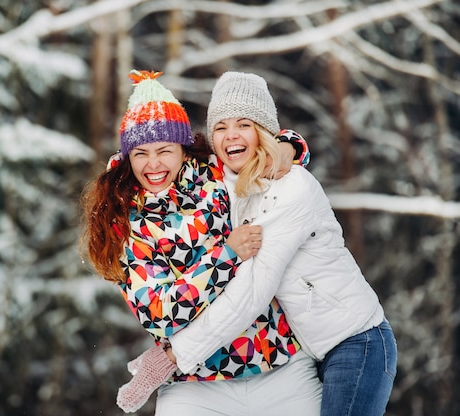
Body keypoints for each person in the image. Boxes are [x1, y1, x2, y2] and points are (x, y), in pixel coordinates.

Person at [124, 71, 398, 416]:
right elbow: (160, 164)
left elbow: (252, 291)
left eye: (244, 124)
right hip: (310, 349)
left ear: (263, 130)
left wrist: (171, 358)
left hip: (355, 342)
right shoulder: (222, 182)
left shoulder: (292, 188)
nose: (231, 135)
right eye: (220, 127)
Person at [81, 69, 321, 415]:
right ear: (128, 157)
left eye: (164, 150)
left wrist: (290, 146)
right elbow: (161, 313)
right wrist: (226, 257)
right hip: (195, 386)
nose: (153, 165)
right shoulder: (125, 223)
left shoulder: (214, 176)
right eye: (140, 154)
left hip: (278, 362)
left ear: (182, 148)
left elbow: (264, 149)